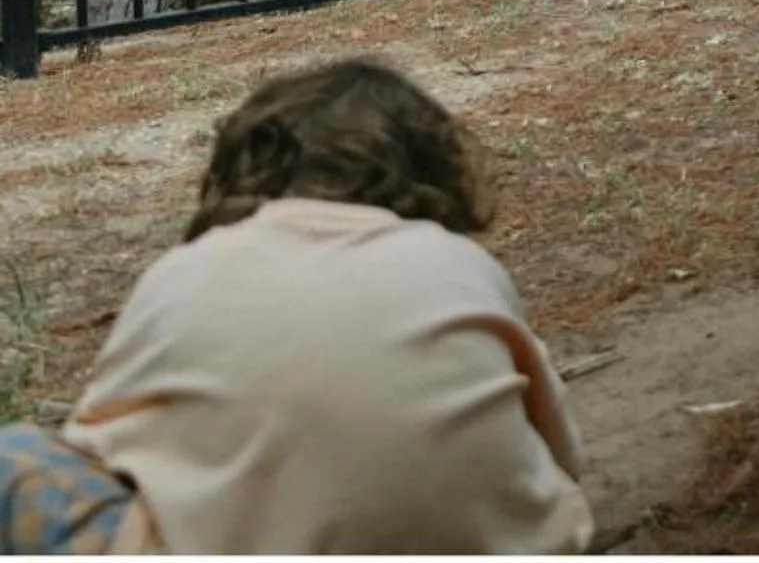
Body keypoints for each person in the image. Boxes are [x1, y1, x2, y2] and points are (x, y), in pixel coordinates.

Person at [10, 58, 591, 554]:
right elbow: (561, 455)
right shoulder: (460, 266)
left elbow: (97, 444)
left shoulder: (190, 271)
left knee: (19, 455)